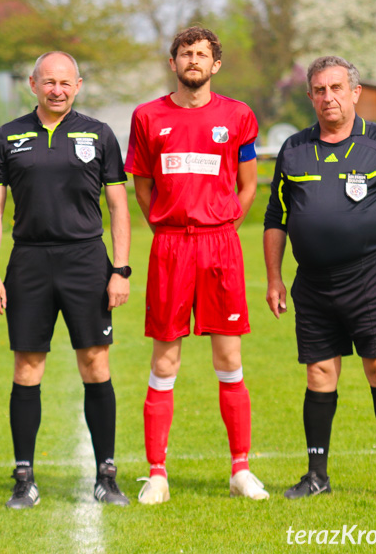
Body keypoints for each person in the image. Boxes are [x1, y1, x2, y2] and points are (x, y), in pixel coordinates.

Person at [263, 56, 376, 499]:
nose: (328, 97)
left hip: (369, 277)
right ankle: (316, 476)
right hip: (311, 282)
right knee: (318, 374)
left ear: (354, 92)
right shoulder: (293, 148)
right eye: (319, 89)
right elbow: (275, 217)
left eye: (336, 88)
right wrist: (274, 279)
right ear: (310, 95)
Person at [0, 51, 132, 508]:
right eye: (49, 82)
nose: (57, 90)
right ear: (33, 84)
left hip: (87, 260)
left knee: (95, 365)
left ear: (78, 85)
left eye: (65, 82)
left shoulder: (99, 134)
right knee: (27, 368)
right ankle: (23, 477)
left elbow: (119, 207)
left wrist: (120, 269)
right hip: (28, 261)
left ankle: (107, 474)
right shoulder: (8, 136)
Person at [124, 26, 268, 503]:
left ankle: (240, 469)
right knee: (165, 358)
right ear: (173, 63)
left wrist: (222, 223)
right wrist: (166, 227)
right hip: (170, 247)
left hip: (220, 247)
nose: (193, 60)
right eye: (185, 53)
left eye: (202, 53)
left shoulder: (238, 115)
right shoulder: (147, 117)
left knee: (229, 358)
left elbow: (248, 185)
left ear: (215, 64)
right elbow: (141, 188)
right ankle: (157, 473)